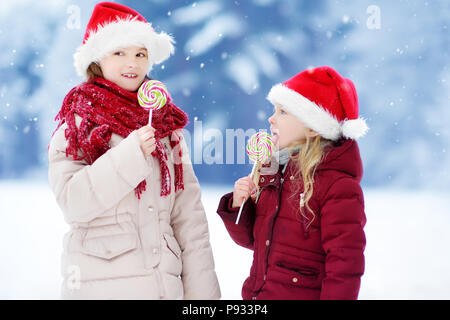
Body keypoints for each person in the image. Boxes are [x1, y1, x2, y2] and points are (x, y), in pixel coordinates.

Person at [48, 2, 220, 300]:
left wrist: (203, 299)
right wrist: (130, 154)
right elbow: (74, 203)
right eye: (119, 52)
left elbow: (188, 218)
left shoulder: (165, 126)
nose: (133, 63)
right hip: (100, 287)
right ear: (97, 60)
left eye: (140, 53)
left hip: (165, 288)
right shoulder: (77, 122)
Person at [217, 66, 368, 300]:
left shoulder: (338, 187)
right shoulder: (273, 171)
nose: (271, 118)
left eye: (283, 112)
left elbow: (345, 264)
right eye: (274, 110)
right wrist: (240, 205)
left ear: (311, 126)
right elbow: (254, 242)